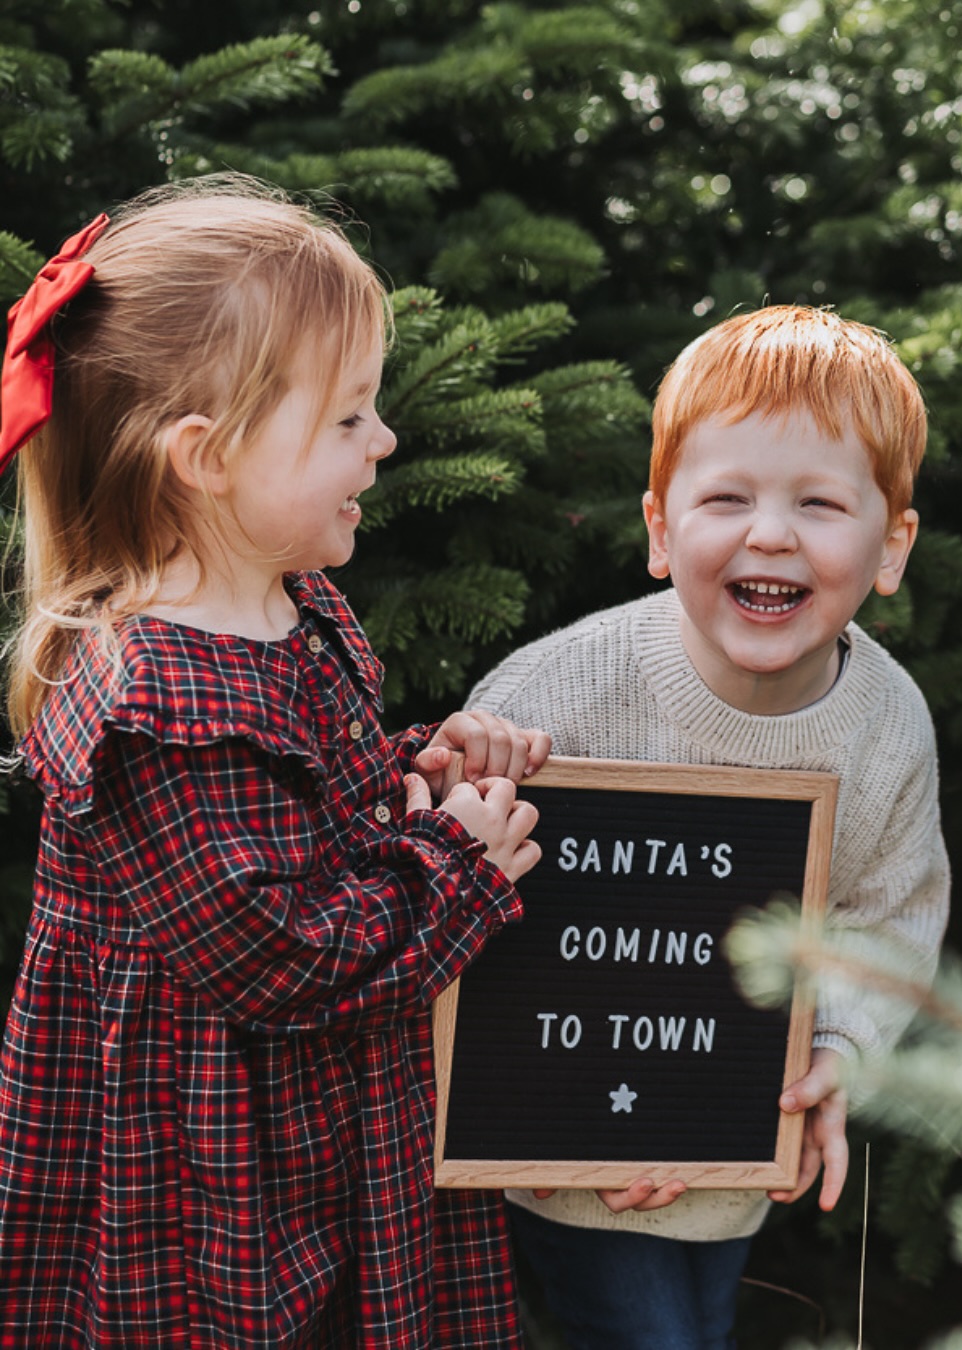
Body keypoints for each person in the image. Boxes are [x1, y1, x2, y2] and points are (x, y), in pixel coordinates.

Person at [0, 178, 551, 1348]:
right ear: (206, 456)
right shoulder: (152, 698)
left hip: (320, 1121)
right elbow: (283, 958)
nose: (384, 440)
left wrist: (426, 769)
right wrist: (457, 864)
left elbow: (320, 804)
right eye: (347, 418)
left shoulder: (294, 606)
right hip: (211, 1168)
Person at [468, 304, 950, 1350]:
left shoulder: (885, 725)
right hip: (565, 1155)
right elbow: (453, 900)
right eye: (727, 497)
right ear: (659, 528)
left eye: (819, 504)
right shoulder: (556, 696)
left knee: (698, 1324)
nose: (769, 533)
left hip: (740, 1133)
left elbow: (888, 911)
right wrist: (571, 1116)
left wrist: (842, 1045)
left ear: (891, 546)